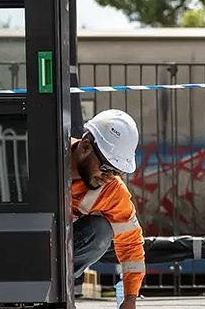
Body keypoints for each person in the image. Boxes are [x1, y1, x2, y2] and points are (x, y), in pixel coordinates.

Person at [72, 109, 145, 308]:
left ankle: (57, 285)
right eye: (106, 167)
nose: (109, 176)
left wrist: (130, 299)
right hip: (21, 244)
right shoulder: (48, 158)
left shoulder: (112, 191)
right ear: (86, 146)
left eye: (116, 171)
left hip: (53, 257)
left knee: (100, 231)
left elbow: (131, 244)